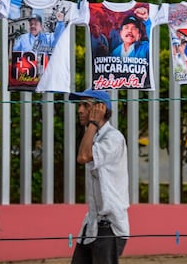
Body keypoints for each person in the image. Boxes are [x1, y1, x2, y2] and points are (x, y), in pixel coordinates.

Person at [69, 88, 129, 264]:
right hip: (92, 223)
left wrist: (94, 123)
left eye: (85, 105)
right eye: (79, 105)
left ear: (100, 109)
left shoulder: (113, 138)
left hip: (109, 225)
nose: (79, 110)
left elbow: (83, 157)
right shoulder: (94, 137)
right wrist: (92, 128)